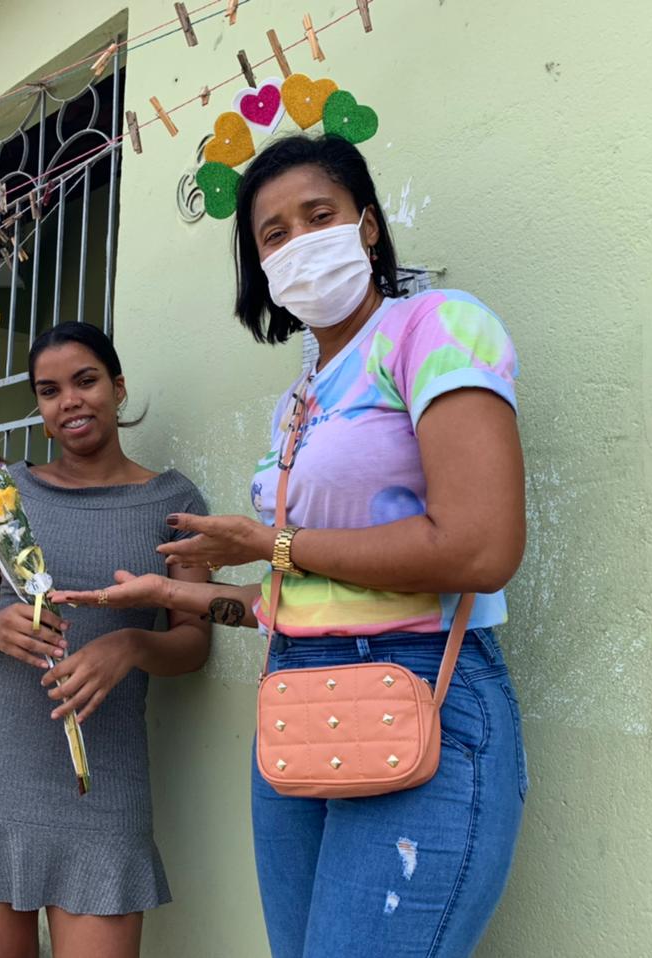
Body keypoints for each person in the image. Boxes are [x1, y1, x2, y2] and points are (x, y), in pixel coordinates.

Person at [58, 134, 529, 957]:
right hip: (297, 694)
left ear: (368, 226)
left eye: (319, 215)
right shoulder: (299, 402)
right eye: (273, 234)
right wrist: (171, 596)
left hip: (418, 681)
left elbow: (479, 549)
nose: (299, 243)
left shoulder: (435, 327)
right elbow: (299, 595)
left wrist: (273, 543)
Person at [0, 322, 211, 958]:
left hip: (102, 781)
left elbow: (194, 641)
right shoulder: (5, 494)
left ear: (117, 388)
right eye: (49, 391)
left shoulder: (175, 503)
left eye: (85, 381)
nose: (69, 401)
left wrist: (131, 646)